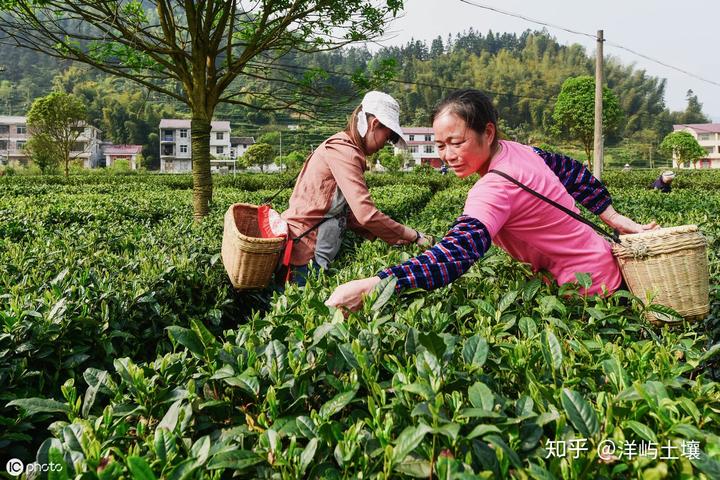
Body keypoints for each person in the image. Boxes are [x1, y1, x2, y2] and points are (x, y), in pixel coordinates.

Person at [326, 89, 658, 311]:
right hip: (603, 268)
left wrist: (377, 285)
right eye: (440, 145)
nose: (448, 155)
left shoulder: (494, 189)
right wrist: (612, 216)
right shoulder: (521, 153)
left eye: (456, 142)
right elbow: (572, 171)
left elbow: (457, 254)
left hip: (589, 293)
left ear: (488, 132)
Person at [281, 91, 432, 285]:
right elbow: (366, 214)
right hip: (304, 255)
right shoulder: (344, 152)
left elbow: (350, 216)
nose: (384, 144)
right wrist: (414, 235)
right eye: (387, 137)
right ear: (374, 124)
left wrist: (393, 237)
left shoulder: (343, 149)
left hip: (308, 253)